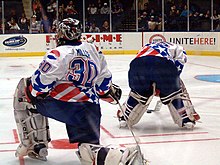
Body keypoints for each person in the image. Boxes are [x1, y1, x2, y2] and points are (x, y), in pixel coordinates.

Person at [13, 18, 146, 165]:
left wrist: (32, 94)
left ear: (60, 33)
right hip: (90, 109)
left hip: (65, 106)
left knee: (23, 90)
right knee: (88, 151)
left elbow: (39, 86)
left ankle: (34, 145)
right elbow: (104, 85)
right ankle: (123, 158)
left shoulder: (57, 54)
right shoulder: (93, 49)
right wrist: (108, 93)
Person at [117, 41, 200, 129]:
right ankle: (186, 119)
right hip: (163, 65)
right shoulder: (178, 47)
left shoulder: (147, 46)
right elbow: (177, 68)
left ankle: (125, 117)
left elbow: (140, 60)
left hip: (137, 66)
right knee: (175, 92)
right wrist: (166, 86)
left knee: (138, 94)